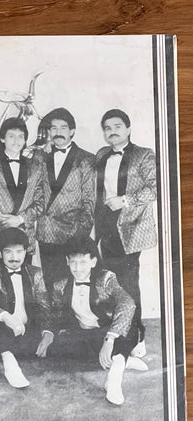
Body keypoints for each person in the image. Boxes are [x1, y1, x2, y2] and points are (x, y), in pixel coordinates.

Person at [95, 109, 157, 357]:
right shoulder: (101, 154)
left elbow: (156, 187)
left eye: (117, 126)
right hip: (105, 226)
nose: (112, 131)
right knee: (110, 282)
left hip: (131, 227)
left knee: (129, 283)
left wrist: (125, 200)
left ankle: (137, 337)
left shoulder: (144, 154)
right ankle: (117, 334)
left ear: (128, 129)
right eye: (107, 128)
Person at [50, 236, 142, 405]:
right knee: (59, 350)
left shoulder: (105, 278)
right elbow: (57, 314)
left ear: (93, 262)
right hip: (86, 333)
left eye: (83, 262)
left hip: (109, 332)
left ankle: (115, 376)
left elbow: (127, 303)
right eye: (73, 262)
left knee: (129, 329)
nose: (77, 268)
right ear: (67, 261)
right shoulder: (60, 285)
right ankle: (123, 359)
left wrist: (109, 339)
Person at [0, 228, 54, 388]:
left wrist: (47, 332)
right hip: (0, 326)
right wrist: (5, 316)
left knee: (50, 344)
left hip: (25, 330)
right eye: (8, 252)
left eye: (19, 251)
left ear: (25, 252)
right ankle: (9, 362)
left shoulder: (35, 273)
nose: (14, 257)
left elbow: (44, 305)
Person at [36, 107, 96, 293]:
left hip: (72, 233)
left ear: (72, 131)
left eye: (63, 128)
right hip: (46, 231)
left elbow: (89, 200)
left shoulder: (86, 158)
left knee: (70, 285)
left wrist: (81, 234)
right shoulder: (40, 155)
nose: (58, 132)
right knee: (49, 282)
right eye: (53, 128)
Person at [0, 117, 45, 254]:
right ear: (2, 139)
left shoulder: (36, 167)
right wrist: (7, 221)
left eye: (21, 136)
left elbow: (40, 202)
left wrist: (20, 219)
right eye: (11, 136)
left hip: (26, 238)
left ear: (25, 140)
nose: (16, 141)